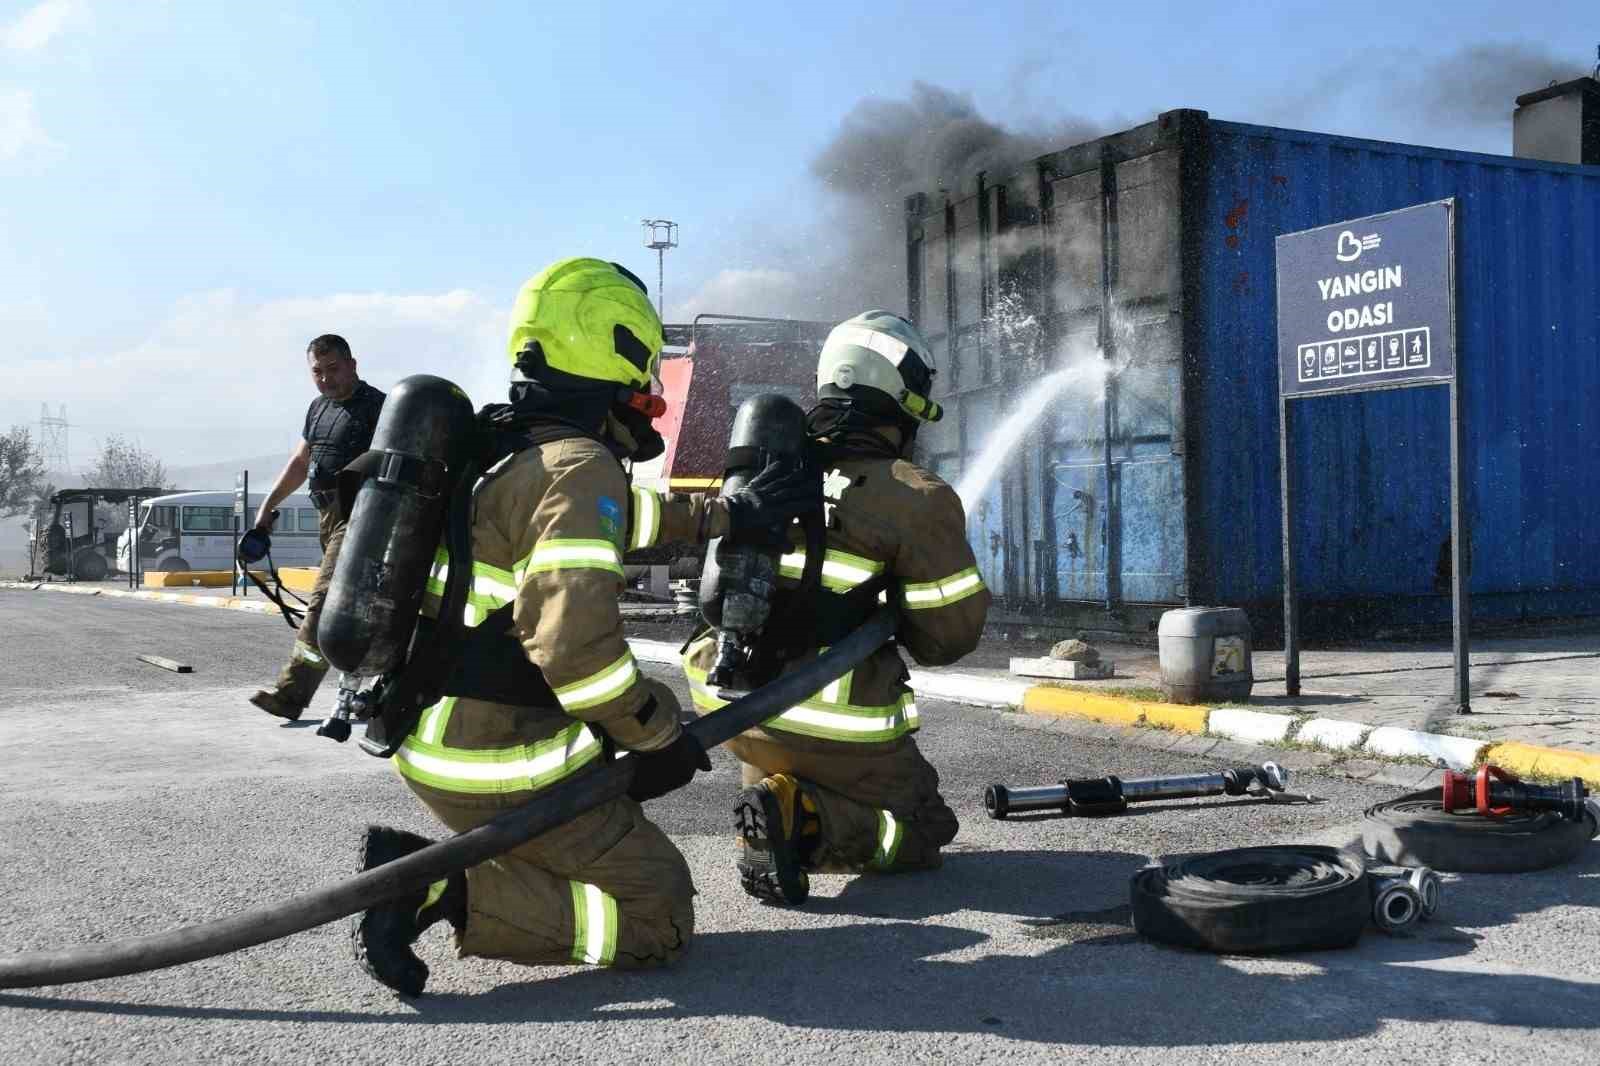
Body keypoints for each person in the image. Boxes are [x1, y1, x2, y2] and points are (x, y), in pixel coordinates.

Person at [353, 257, 819, 996]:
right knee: (656, 911)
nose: (651, 405)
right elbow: (576, 655)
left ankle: (459, 869)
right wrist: (657, 732)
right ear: (617, 362)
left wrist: (727, 513)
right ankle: (435, 888)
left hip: (426, 732)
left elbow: (621, 520)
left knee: (607, 830)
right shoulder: (580, 468)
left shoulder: (504, 453)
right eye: (646, 386)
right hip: (500, 765)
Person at [681, 310, 991, 905]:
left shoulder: (770, 464)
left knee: (781, 773)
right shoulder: (913, 494)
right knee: (925, 829)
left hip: (731, 701)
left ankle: (783, 796)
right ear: (901, 399)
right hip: (833, 717)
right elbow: (947, 639)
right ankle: (806, 822)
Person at [248, 334, 385, 721]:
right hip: (327, 519)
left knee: (324, 602)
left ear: (353, 365)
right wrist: (267, 506)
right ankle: (376, 693)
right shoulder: (318, 408)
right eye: (318, 372)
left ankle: (291, 695)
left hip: (360, 519)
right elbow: (300, 461)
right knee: (358, 612)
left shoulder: (378, 409)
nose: (326, 379)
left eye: (333, 369)